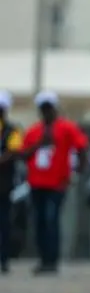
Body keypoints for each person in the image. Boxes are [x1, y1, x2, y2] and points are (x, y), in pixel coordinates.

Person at [19, 91, 88, 274]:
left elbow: (82, 147)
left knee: (52, 220)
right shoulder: (34, 131)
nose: (46, 112)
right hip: (36, 182)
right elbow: (23, 155)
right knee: (40, 221)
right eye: (43, 109)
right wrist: (39, 144)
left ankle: (52, 260)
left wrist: (77, 172)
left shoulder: (67, 128)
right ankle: (43, 259)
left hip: (57, 183)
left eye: (49, 108)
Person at [0, 91, 23, 274]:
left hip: (4, 184)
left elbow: (14, 151)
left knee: (4, 222)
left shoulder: (12, 130)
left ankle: (4, 259)